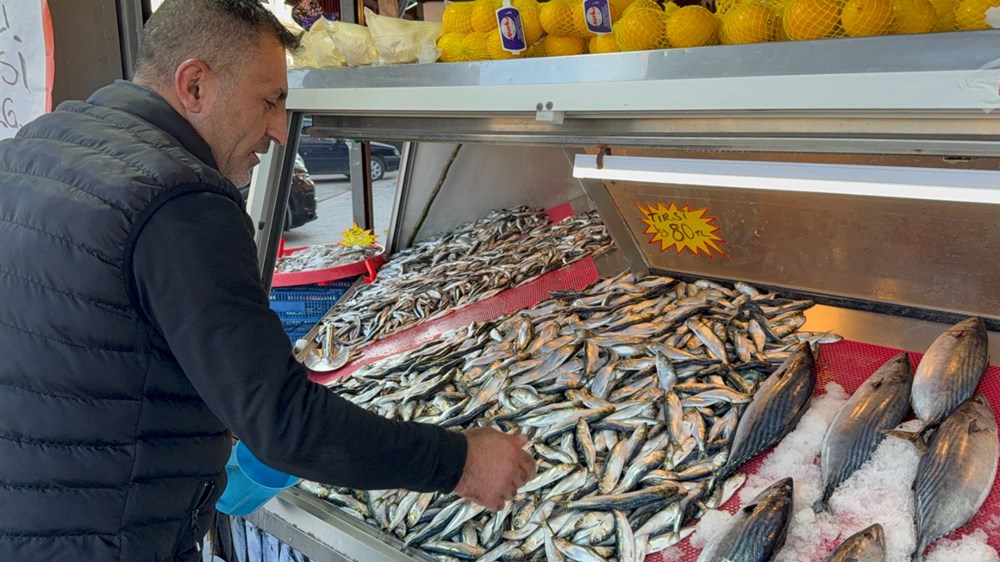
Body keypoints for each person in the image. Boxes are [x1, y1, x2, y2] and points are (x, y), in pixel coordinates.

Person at [0, 1, 535, 560]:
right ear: (195, 85)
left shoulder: (38, 147)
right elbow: (283, 424)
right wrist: (463, 463)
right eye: (270, 100)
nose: (281, 130)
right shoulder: (178, 199)